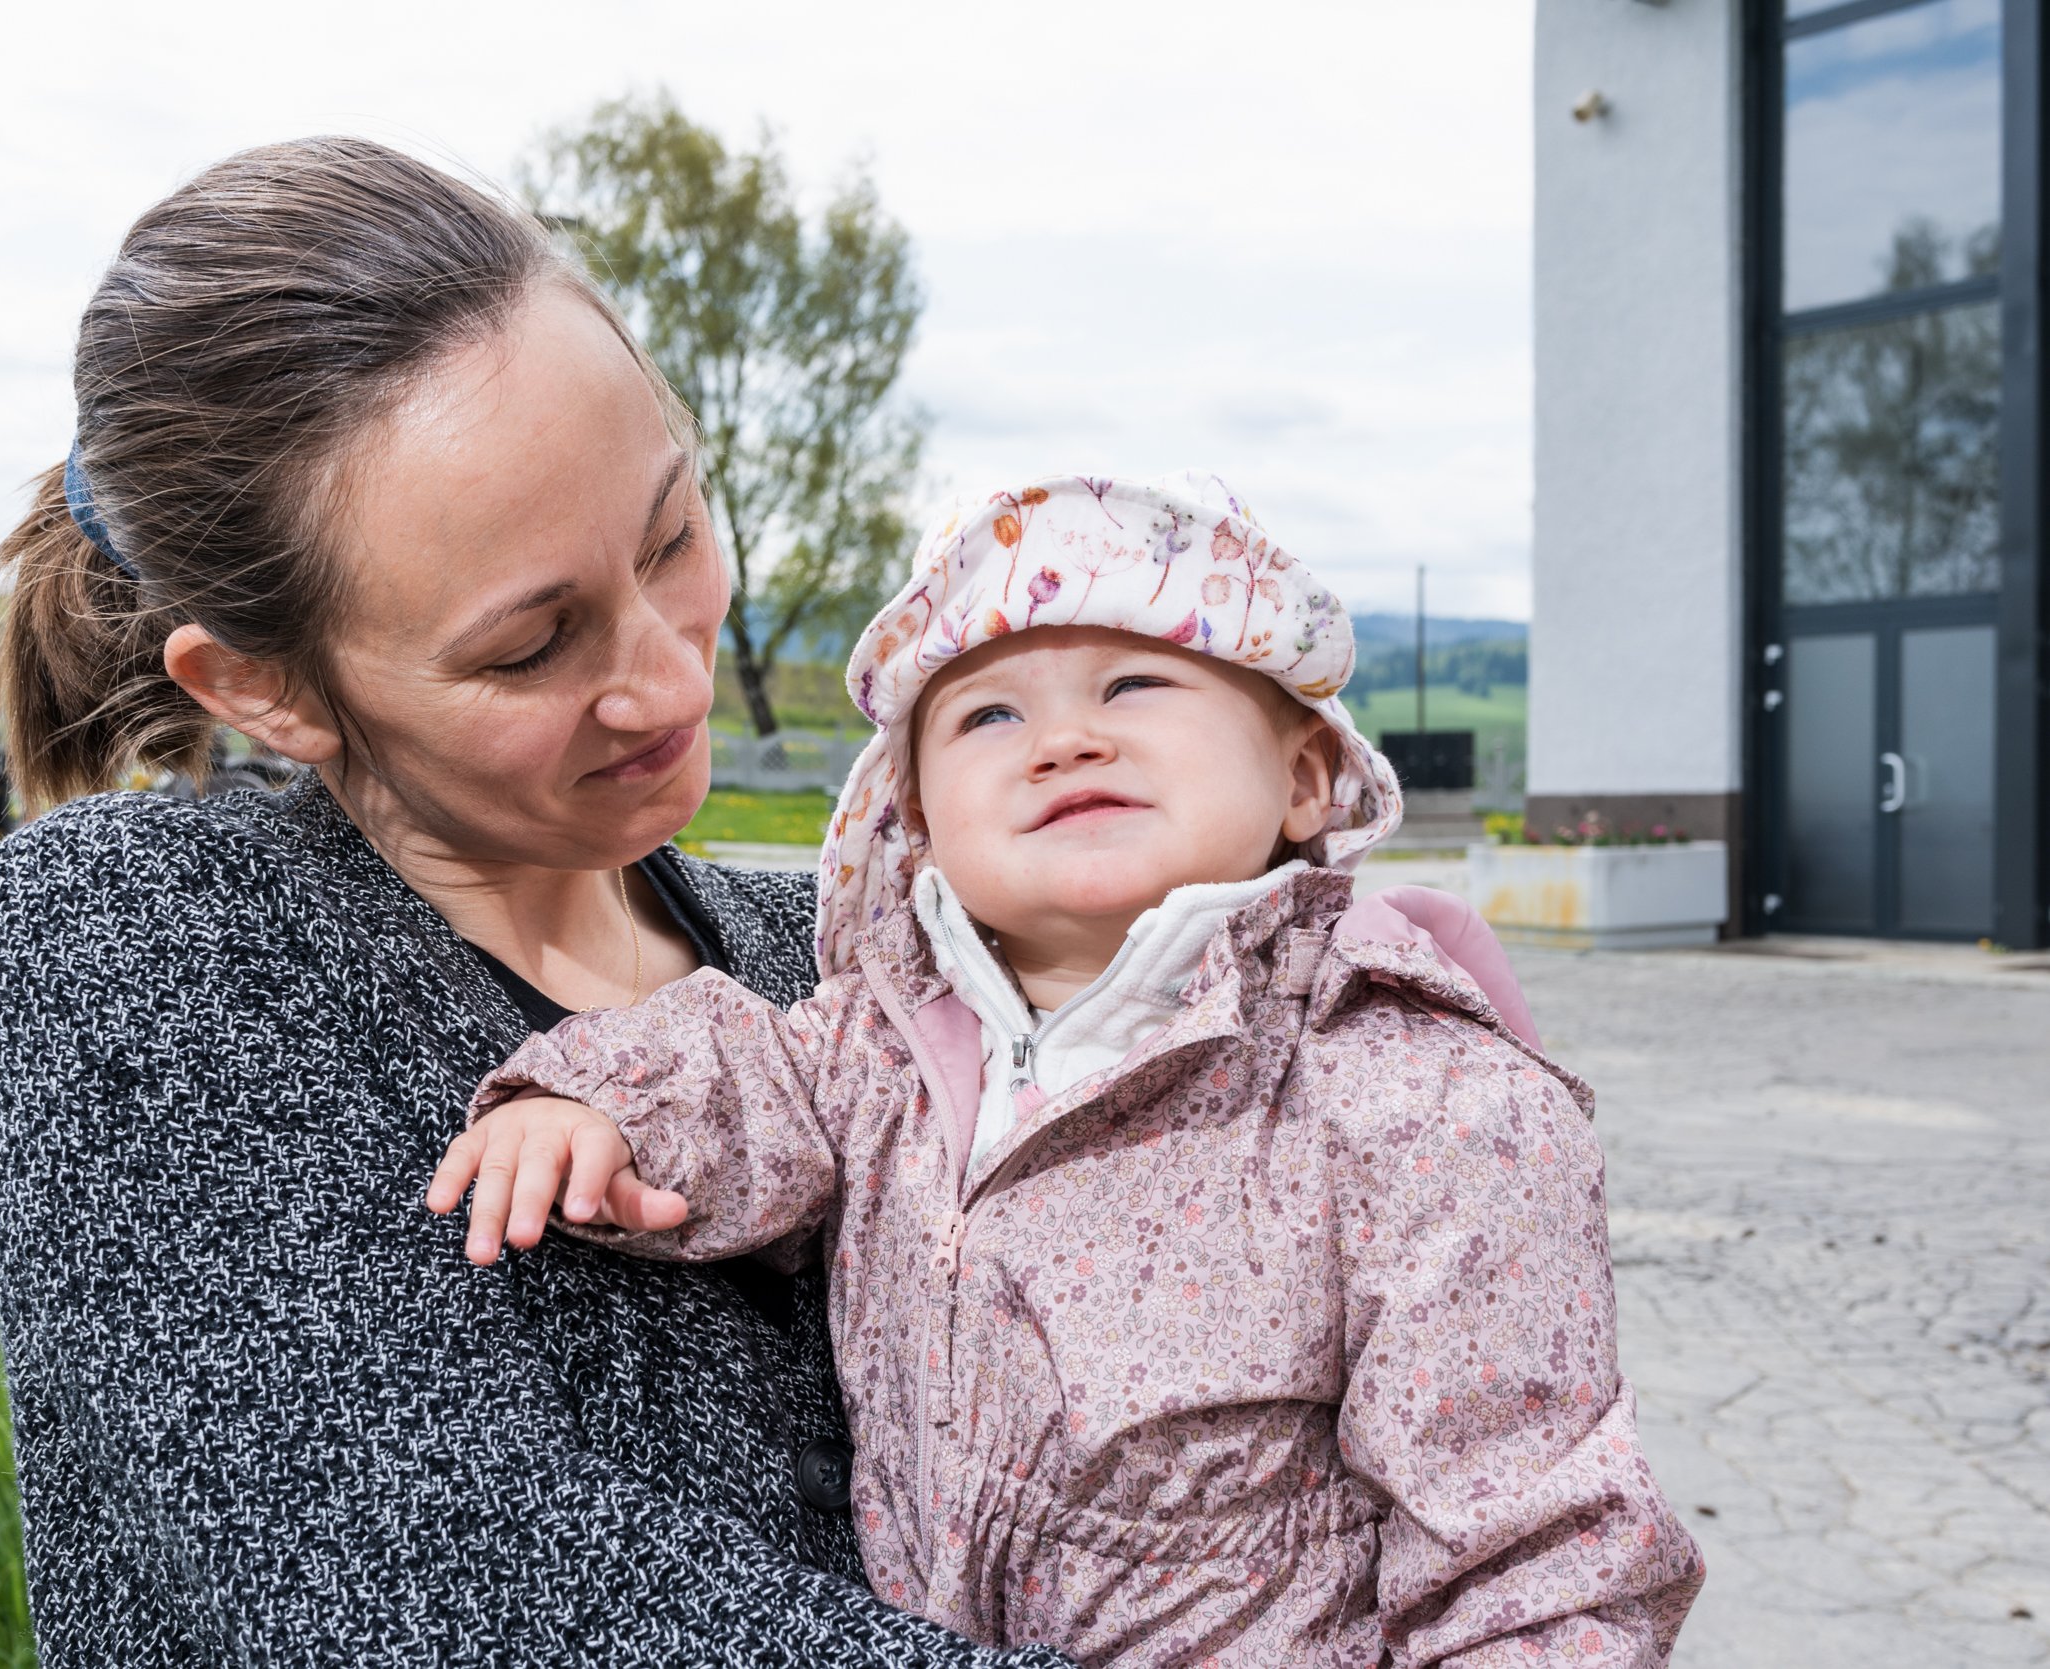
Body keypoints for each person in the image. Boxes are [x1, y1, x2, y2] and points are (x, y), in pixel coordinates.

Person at [0, 135, 1064, 1666]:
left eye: (673, 533)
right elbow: (416, 1588)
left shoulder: (811, 964)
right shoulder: (146, 939)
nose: (672, 677)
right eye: (532, 645)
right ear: (266, 687)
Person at [433, 472, 1706, 1666]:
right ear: (919, 823)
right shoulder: (884, 1042)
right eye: (990, 713)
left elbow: (1538, 1554)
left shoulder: (1416, 1104)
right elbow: (735, 1061)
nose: (1061, 742)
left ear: (1305, 773)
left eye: (1135, 685)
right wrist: (590, 1100)